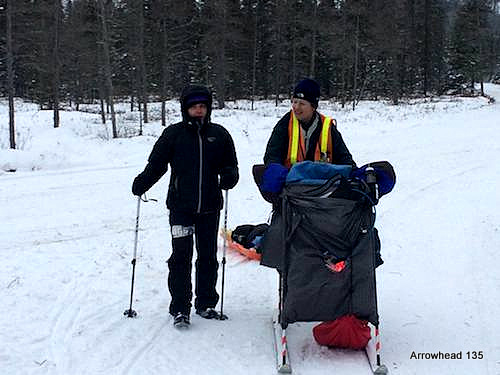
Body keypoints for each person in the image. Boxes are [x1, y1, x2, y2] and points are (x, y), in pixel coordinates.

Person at [131, 85, 239, 328]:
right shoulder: (173, 135)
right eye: (194, 107)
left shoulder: (219, 135)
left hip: (210, 207)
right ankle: (180, 307)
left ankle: (206, 302)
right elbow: (157, 165)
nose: (198, 111)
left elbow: (231, 165)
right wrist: (142, 182)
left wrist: (229, 176)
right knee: (180, 257)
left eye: (202, 106)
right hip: (180, 207)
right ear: (185, 109)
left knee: (208, 256)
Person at [264, 78, 355, 168]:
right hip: (290, 180)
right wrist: (276, 171)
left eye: (302, 104)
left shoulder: (327, 127)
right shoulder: (285, 124)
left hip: (321, 181)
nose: (296, 107)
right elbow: (272, 156)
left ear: (313, 107)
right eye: (295, 102)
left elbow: (344, 159)